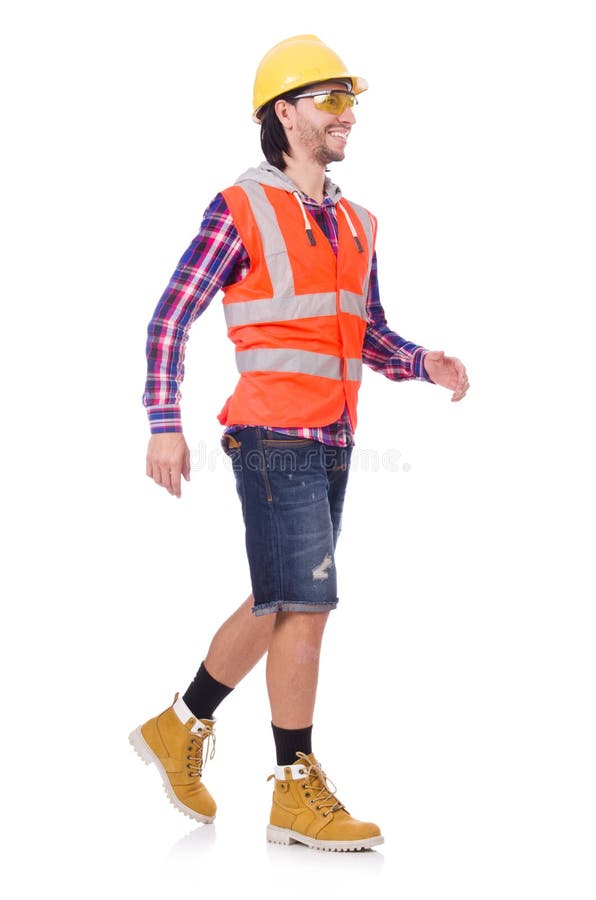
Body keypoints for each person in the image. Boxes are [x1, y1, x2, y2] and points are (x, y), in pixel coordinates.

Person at [129, 34, 469, 852]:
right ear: (285, 112)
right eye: (331, 100)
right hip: (273, 433)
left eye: (351, 102)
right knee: (308, 607)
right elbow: (171, 316)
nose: (347, 115)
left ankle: (179, 728)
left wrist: (422, 363)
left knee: (280, 596)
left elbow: (367, 334)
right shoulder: (242, 206)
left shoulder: (358, 223)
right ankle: (293, 787)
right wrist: (164, 424)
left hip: (337, 437)